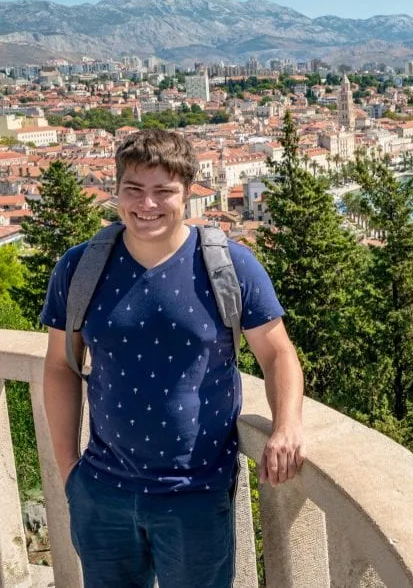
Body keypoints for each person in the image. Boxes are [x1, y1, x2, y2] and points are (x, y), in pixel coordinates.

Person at [41, 128, 305, 588]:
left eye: (163, 191)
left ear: (188, 193)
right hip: (102, 493)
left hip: (196, 496)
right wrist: (71, 474)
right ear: (116, 192)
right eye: (134, 190)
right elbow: (60, 365)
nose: (147, 205)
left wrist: (287, 425)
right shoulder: (80, 266)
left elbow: (278, 352)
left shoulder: (229, 266)